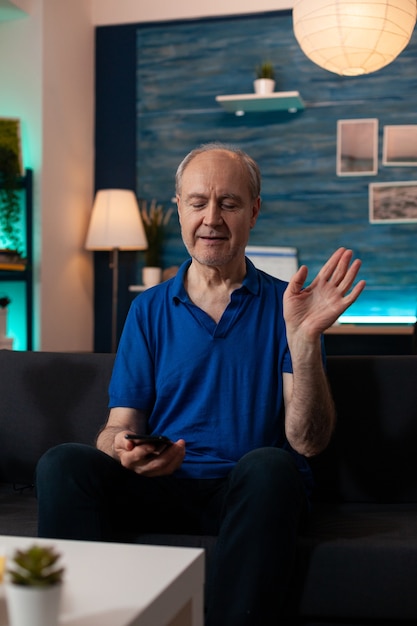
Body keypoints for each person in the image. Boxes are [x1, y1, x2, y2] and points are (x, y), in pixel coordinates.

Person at [36, 142, 365, 626]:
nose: (212, 218)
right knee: (62, 463)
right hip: (162, 488)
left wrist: (305, 339)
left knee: (275, 466)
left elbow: (308, 442)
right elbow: (117, 426)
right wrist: (124, 448)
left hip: (249, 494)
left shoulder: (288, 306)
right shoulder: (147, 309)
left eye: (229, 203)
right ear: (179, 209)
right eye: (198, 202)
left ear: (253, 211)